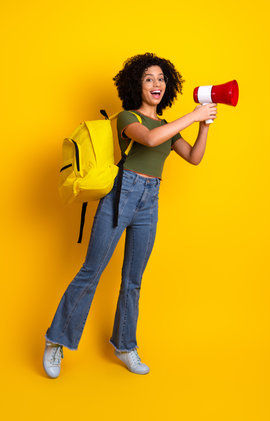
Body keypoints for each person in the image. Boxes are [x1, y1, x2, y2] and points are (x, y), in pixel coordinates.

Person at [43, 52, 217, 378]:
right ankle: (56, 341)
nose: (156, 84)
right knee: (92, 271)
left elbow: (193, 157)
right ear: (136, 84)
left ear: (169, 85)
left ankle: (125, 346)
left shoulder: (168, 125)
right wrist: (193, 116)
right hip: (121, 195)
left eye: (161, 78)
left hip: (150, 200)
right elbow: (149, 139)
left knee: (133, 280)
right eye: (149, 78)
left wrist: (204, 125)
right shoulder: (127, 118)